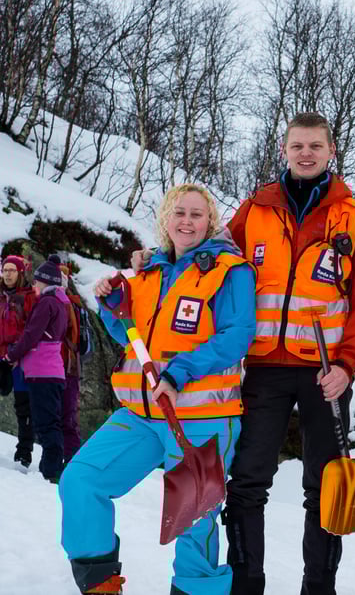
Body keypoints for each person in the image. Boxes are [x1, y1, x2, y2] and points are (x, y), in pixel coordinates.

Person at [59, 183, 256, 595]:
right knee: (80, 481)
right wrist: (111, 305)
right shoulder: (148, 272)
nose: (187, 221)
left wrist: (178, 373)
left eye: (197, 214)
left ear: (210, 222)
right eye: (179, 212)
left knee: (195, 519)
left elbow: (236, 336)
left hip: (203, 418)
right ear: (166, 219)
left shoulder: (230, 271)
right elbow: (130, 337)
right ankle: (100, 585)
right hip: (141, 415)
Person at [218, 112, 355, 595]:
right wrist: (157, 256)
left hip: (324, 373)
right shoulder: (255, 208)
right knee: (247, 482)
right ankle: (246, 583)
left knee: (325, 488)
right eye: (297, 146)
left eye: (315, 146)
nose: (305, 154)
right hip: (265, 368)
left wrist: (348, 365)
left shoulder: (352, 214)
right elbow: (211, 260)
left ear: (331, 151)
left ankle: (318, 586)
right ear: (284, 150)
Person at [3, 254, 71, 484]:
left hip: (43, 372)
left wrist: (11, 356)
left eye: (36, 282)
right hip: (47, 371)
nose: (34, 286)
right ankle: (50, 466)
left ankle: (51, 470)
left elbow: (31, 335)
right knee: (47, 420)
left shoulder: (47, 303)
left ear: (44, 281)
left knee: (46, 422)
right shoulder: (59, 302)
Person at [0, 254, 36, 468]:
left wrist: (17, 354)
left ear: (21, 272)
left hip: (22, 360)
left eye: (12, 270)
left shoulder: (30, 296)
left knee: (24, 407)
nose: (7, 274)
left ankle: (24, 452)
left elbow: (33, 329)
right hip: (1, 356)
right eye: (5, 270)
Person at [59, 263, 87, 465]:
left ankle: (71, 462)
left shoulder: (69, 303)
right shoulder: (74, 302)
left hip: (66, 365)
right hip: (69, 366)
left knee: (67, 417)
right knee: (66, 416)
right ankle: (69, 459)